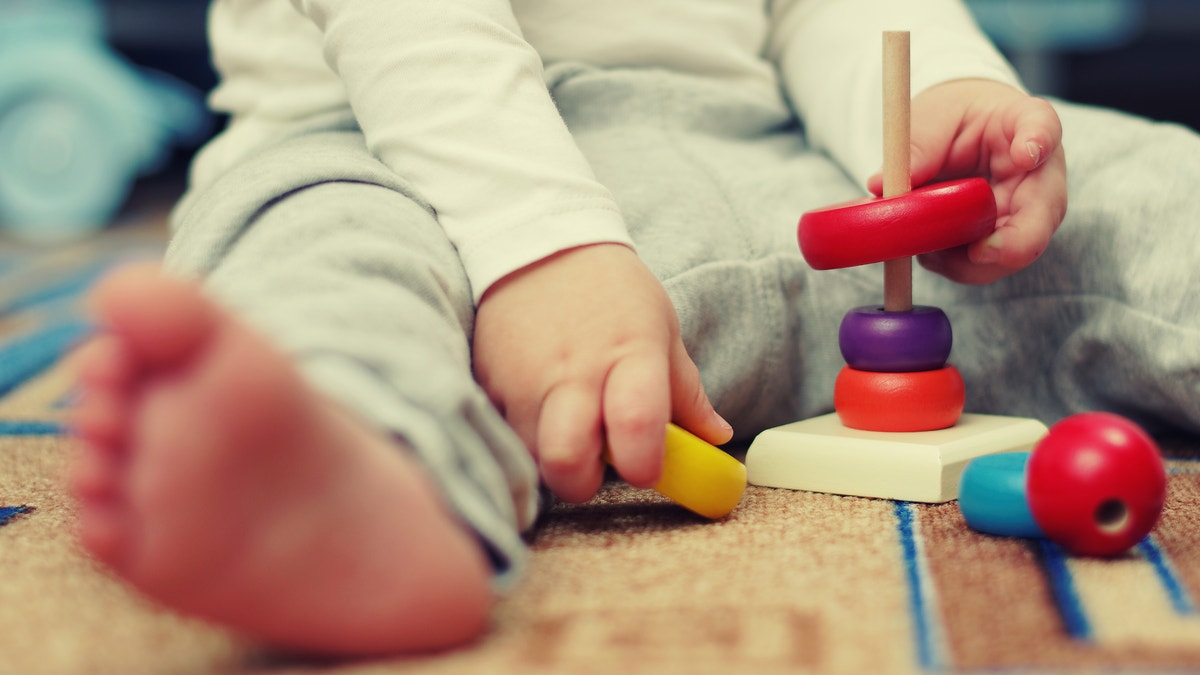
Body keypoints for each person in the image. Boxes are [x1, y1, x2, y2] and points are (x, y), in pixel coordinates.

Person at [67, 0, 1200, 658]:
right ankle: (360, 483)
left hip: (779, 165)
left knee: (1120, 185)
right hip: (406, 163)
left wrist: (933, 110)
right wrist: (541, 241)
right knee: (320, 264)